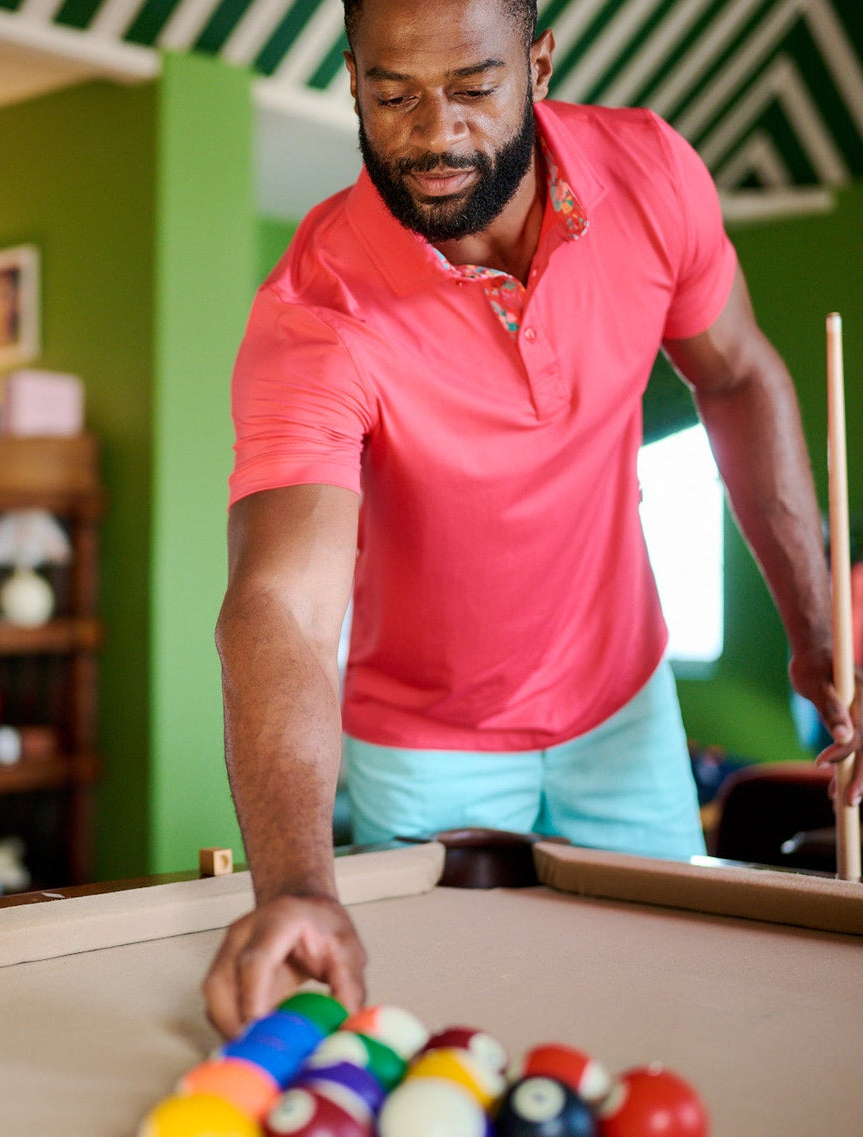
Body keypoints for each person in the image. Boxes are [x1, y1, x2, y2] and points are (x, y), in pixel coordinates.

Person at [203, 0, 863, 1038]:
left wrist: (817, 628)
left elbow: (736, 376)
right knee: (434, 1052)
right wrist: (293, 879)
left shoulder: (650, 174)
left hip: (623, 705)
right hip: (426, 746)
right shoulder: (316, 312)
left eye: (473, 87)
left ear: (538, 63)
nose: (433, 134)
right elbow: (281, 601)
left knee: (657, 1021)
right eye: (393, 94)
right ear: (351, 79)